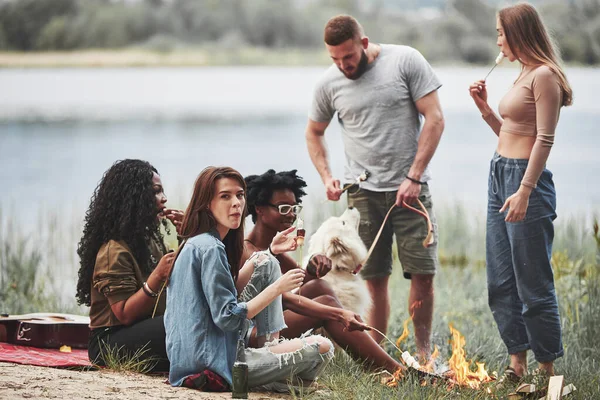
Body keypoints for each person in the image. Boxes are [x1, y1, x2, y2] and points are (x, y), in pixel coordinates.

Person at [305, 14, 445, 360]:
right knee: (373, 277)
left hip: (412, 192)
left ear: (364, 44)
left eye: (348, 57)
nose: (342, 65)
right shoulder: (329, 83)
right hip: (362, 194)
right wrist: (327, 176)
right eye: (334, 58)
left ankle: (424, 354)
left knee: (423, 274)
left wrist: (413, 176)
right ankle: (378, 353)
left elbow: (435, 118)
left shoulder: (406, 61)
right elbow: (314, 132)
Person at [468, 3, 572, 385]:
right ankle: (517, 364)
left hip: (526, 179)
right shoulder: (523, 73)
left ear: (518, 34)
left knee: (533, 280)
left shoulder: (544, 76)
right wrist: (483, 108)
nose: (497, 41)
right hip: (500, 173)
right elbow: (511, 133)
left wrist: (525, 190)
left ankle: (547, 370)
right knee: (500, 279)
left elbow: (544, 138)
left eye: (500, 33)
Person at [165, 166, 333, 393]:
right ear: (206, 203)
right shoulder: (211, 248)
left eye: (240, 195)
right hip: (215, 364)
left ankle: (271, 355)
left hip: (193, 358)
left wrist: (269, 254)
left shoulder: (198, 242)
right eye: (225, 196)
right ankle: (276, 378)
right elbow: (228, 317)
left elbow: (223, 294)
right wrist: (277, 288)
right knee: (323, 347)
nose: (236, 203)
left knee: (266, 262)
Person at [242, 169, 404, 373]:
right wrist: (337, 313)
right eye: (283, 208)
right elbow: (281, 299)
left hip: (269, 323)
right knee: (327, 303)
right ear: (260, 210)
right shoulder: (246, 250)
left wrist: (312, 267)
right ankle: (394, 370)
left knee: (319, 285)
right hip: (251, 335)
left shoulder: (276, 251)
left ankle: (377, 364)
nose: (291, 215)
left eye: (294, 208)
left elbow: (301, 282)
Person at [76, 159, 183, 372]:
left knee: (190, 319)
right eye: (156, 192)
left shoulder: (147, 240)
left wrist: (186, 234)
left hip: (142, 330)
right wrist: (157, 277)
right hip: (109, 344)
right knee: (180, 324)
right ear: (134, 199)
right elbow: (124, 314)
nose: (164, 199)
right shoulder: (113, 250)